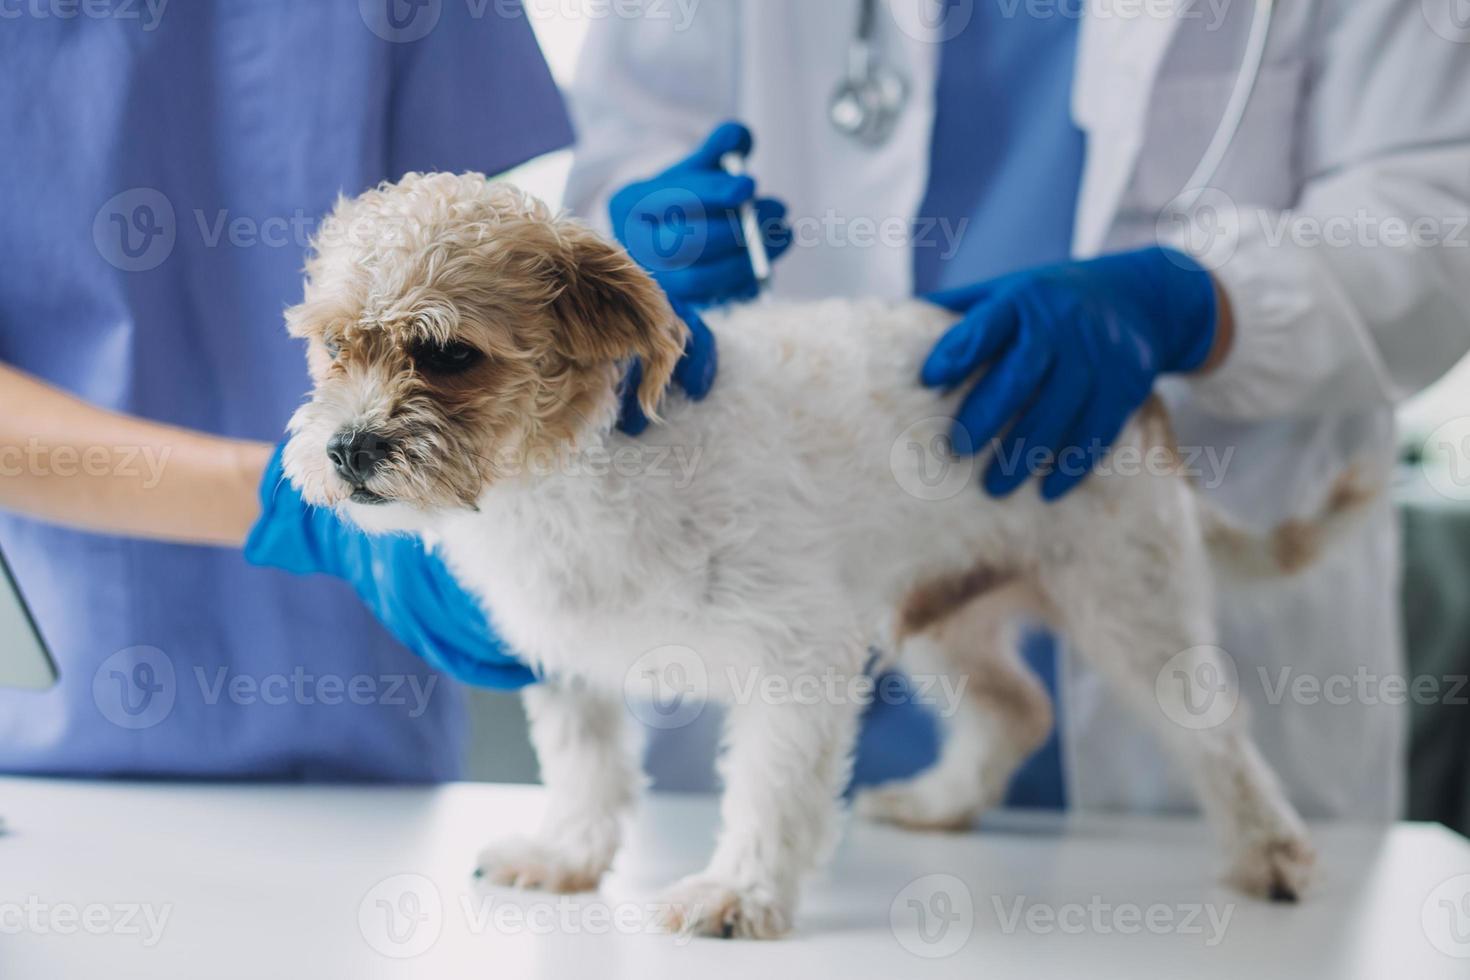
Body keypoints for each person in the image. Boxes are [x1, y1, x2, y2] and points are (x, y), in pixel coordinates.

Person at [560, 1, 1470, 818]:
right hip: (763, 538)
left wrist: (1196, 301)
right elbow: (626, 145)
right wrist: (627, 249)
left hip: (1162, 520)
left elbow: (1437, 200)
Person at [0, 3, 572, 779]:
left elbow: (493, 273)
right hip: (51, 713)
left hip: (366, 712)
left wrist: (635, 282)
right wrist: (288, 506)